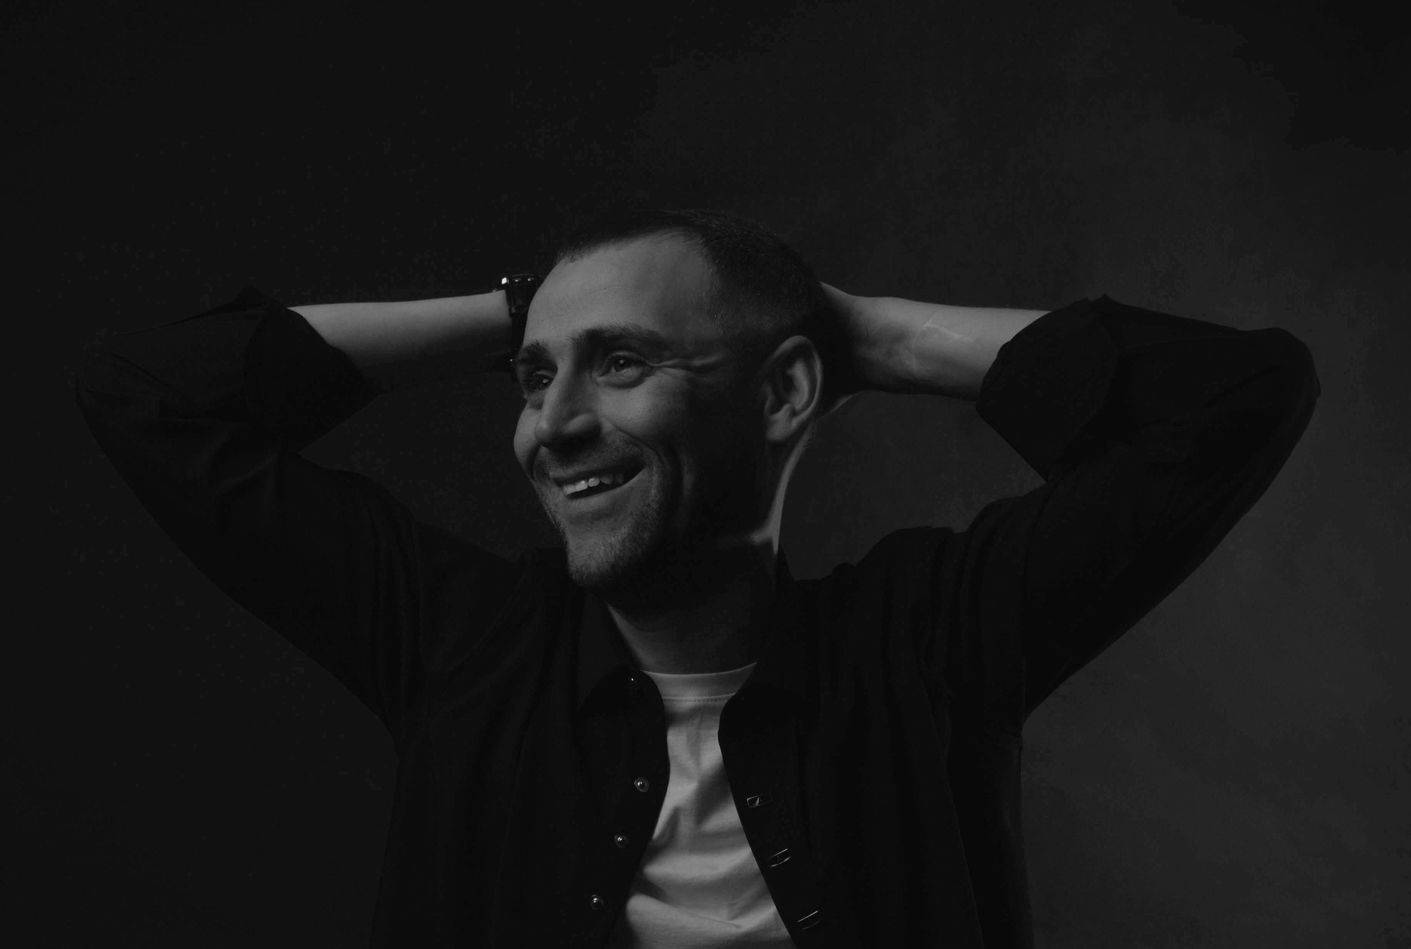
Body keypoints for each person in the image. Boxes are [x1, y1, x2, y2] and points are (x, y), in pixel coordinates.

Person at [72, 207, 1320, 947]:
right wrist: (520, 310)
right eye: (533, 377)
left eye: (619, 363)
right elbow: (147, 396)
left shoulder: (932, 644)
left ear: (782, 395)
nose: (552, 426)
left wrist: (872, 334)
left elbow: (1236, 399)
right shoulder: (459, 645)